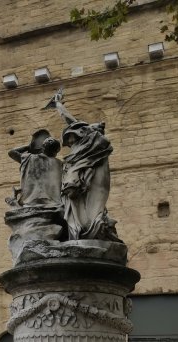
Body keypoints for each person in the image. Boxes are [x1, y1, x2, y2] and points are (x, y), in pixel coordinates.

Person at [47, 90, 120, 242]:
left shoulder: (89, 141)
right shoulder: (83, 147)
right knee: (74, 203)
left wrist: (58, 105)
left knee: (79, 199)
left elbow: (70, 119)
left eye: (70, 137)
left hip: (78, 181)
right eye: (68, 139)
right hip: (75, 184)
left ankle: (86, 228)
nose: (69, 142)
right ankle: (78, 229)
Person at [7, 129, 63, 207]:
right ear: (56, 152)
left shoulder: (30, 158)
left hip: (32, 202)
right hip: (55, 203)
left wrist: (29, 147)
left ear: (43, 148)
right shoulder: (60, 164)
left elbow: (11, 152)